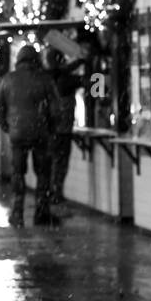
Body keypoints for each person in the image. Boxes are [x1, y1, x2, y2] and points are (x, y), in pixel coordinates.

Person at [0, 44, 62, 227]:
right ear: (36, 60)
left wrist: (6, 126)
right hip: (41, 133)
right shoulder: (45, 80)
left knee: (18, 172)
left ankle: (17, 212)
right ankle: (41, 212)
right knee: (43, 173)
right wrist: (53, 129)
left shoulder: (8, 79)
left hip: (17, 134)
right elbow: (56, 109)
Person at [44, 47, 87, 205]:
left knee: (50, 162)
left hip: (48, 129)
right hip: (62, 129)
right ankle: (56, 193)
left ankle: (47, 194)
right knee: (60, 163)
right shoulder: (66, 80)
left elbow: (63, 70)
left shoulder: (47, 77)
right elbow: (90, 81)